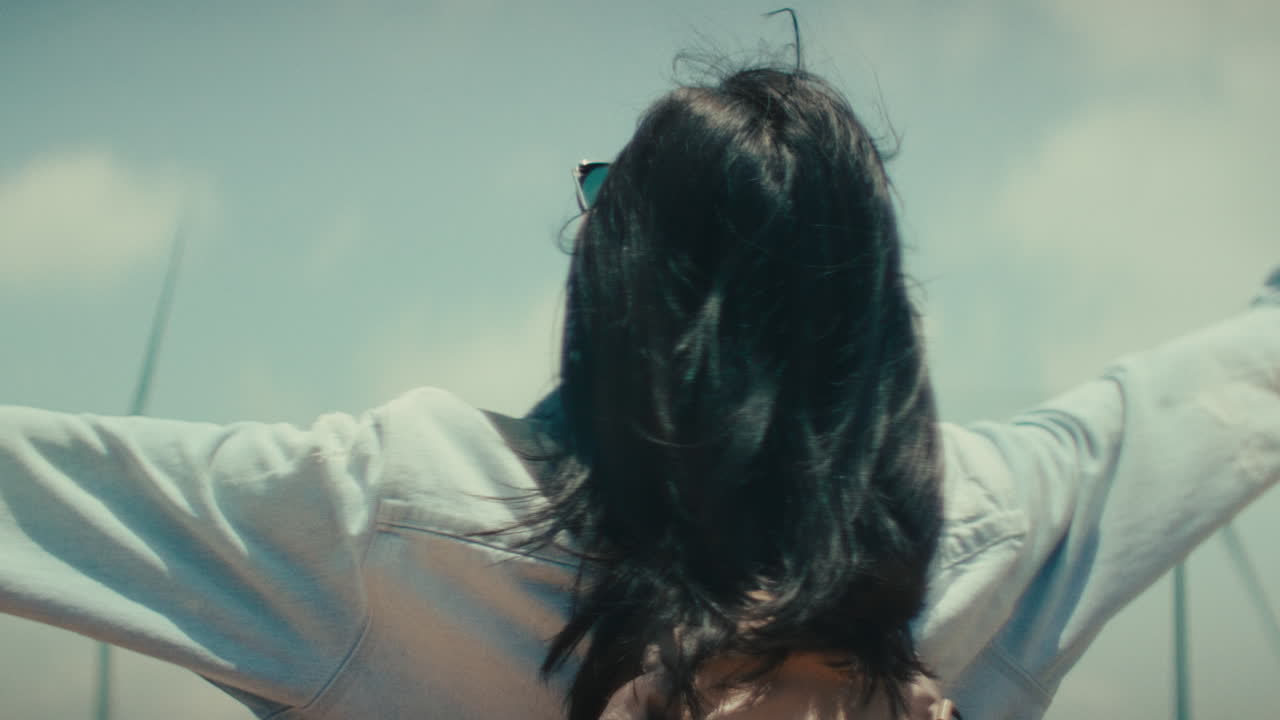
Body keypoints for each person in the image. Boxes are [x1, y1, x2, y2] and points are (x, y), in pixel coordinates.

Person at [0, 59, 1277, 720]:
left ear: (613, 289)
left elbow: (41, 493)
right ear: (876, 313)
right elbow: (1201, 402)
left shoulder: (395, 521)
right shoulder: (990, 527)